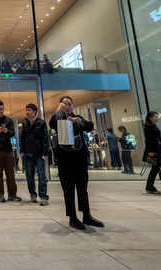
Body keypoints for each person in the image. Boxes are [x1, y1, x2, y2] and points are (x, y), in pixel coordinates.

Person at [49, 95, 103, 230]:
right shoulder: (58, 119)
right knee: (68, 188)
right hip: (65, 158)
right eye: (64, 104)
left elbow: (90, 126)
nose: (67, 106)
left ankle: (87, 214)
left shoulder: (77, 118)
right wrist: (58, 111)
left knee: (82, 186)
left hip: (79, 156)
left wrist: (77, 121)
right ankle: (72, 217)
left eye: (69, 104)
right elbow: (51, 124)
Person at [21, 103, 50, 206]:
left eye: (29, 110)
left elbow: (45, 138)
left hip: (39, 153)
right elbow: (23, 138)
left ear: (34, 111)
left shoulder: (41, 123)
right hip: (28, 153)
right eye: (26, 110)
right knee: (29, 174)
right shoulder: (25, 123)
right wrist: (22, 150)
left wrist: (45, 152)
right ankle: (32, 194)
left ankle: (43, 196)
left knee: (42, 175)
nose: (27, 112)